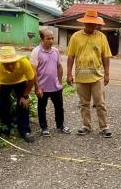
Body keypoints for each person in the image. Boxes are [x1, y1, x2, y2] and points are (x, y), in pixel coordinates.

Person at [66, 9, 112, 138]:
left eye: (94, 24)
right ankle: (86, 126)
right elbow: (71, 57)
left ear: (97, 24)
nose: (91, 26)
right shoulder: (76, 36)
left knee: (100, 103)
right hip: (81, 77)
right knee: (84, 103)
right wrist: (69, 74)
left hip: (97, 76)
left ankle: (104, 127)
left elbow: (106, 56)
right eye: (89, 23)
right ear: (84, 23)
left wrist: (107, 74)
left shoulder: (101, 37)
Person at [0, 46, 36, 143]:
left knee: (23, 104)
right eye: (6, 64)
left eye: (12, 63)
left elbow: (31, 79)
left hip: (20, 81)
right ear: (1, 62)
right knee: (2, 105)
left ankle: (24, 130)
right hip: (3, 83)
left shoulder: (24, 62)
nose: (10, 67)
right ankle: (6, 128)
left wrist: (25, 96)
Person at [30, 28, 70, 136]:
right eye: (48, 39)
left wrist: (60, 83)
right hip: (42, 87)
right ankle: (44, 128)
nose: (51, 41)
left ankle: (61, 125)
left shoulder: (55, 51)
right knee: (42, 108)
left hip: (55, 86)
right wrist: (37, 87)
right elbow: (33, 72)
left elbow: (59, 67)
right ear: (42, 39)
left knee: (59, 107)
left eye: (52, 38)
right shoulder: (36, 52)